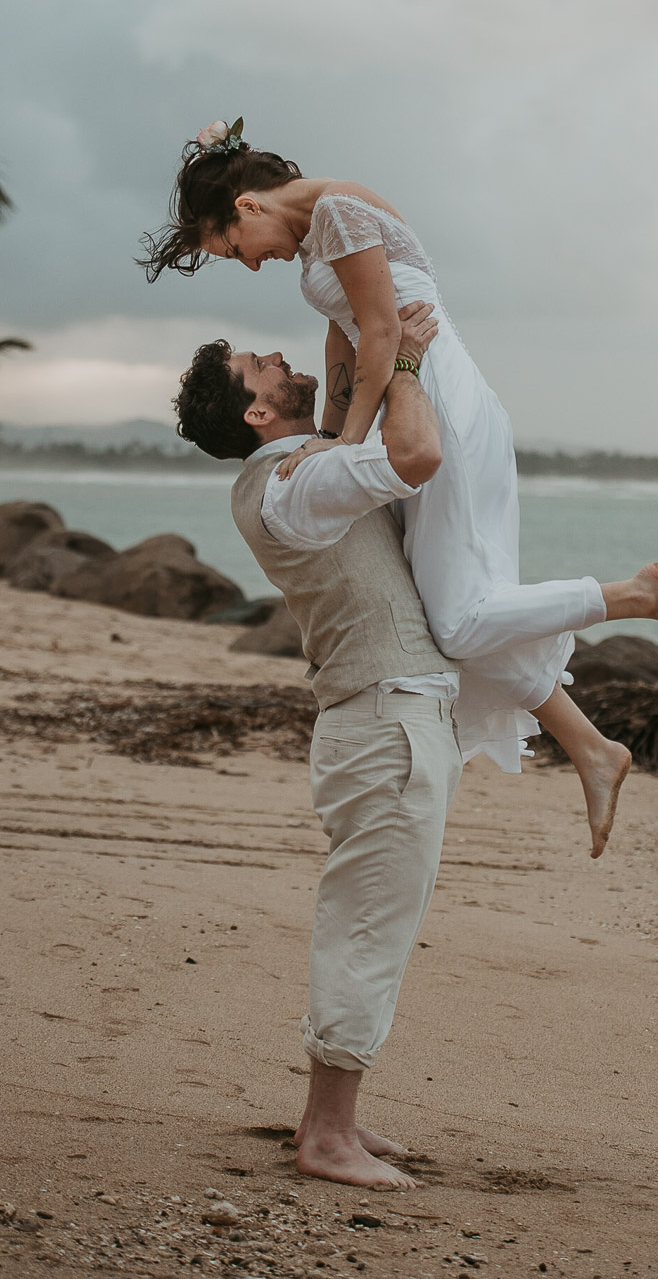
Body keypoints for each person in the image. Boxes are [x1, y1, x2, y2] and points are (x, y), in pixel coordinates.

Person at [146, 121, 658, 858]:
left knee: (459, 623)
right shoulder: (323, 227)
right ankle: (589, 747)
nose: (252, 265)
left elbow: (382, 332)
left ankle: (635, 595)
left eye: (235, 250)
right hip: (424, 397)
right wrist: (333, 440)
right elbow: (343, 340)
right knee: (456, 609)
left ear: (246, 207)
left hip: (438, 406)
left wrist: (347, 447)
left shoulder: (337, 212)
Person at [175, 302, 454, 1189]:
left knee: (375, 918)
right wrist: (407, 361)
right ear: (259, 412)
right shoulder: (297, 481)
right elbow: (413, 454)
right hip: (384, 720)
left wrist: (350, 288)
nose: (278, 356)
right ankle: (326, 1136)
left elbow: (344, 370)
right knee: (368, 924)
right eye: (261, 363)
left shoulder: (305, 464)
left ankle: (339, 1121)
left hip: (382, 714)